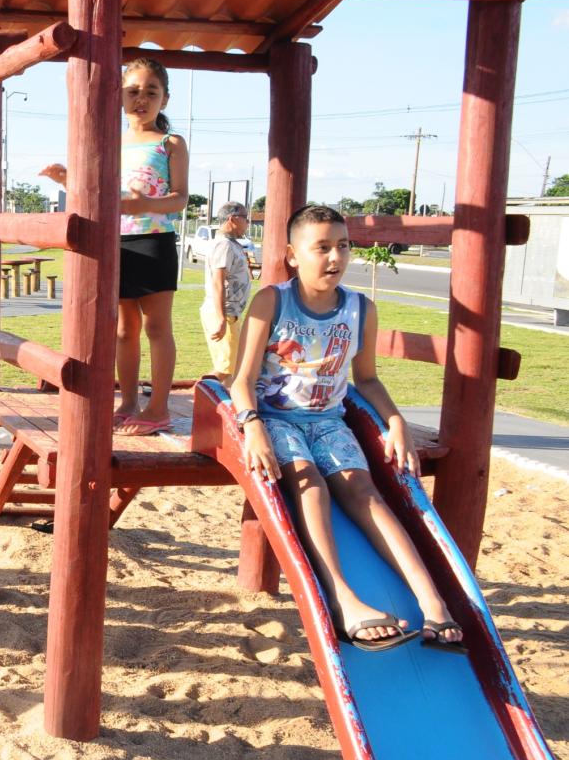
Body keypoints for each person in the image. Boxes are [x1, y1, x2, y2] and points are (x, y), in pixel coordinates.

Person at [230, 204, 464, 653]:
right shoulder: (272, 301)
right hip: (278, 419)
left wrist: (396, 422)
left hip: (329, 422)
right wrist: (252, 424)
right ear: (293, 255)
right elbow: (241, 380)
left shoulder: (359, 308)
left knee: (365, 491)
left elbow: (368, 379)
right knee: (310, 484)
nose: (335, 257)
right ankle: (342, 596)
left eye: (343, 245)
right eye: (322, 247)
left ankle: (433, 603)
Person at [41, 58, 188, 436]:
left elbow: (179, 199)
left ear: (165, 99)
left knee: (157, 328)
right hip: (116, 243)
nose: (142, 99)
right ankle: (128, 402)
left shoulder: (170, 143)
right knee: (124, 330)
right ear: (119, 96)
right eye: (133, 91)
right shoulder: (109, 142)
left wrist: (144, 206)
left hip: (154, 241)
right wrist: (66, 179)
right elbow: (94, 191)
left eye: (151, 92)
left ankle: (158, 408)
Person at [200, 201, 254, 381]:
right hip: (223, 313)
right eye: (245, 218)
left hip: (231, 313)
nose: (248, 223)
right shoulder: (223, 245)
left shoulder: (232, 244)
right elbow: (218, 282)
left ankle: (223, 403)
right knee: (225, 368)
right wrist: (222, 319)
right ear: (232, 219)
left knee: (232, 366)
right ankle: (200, 394)